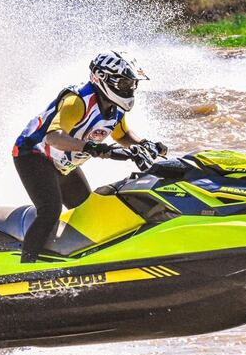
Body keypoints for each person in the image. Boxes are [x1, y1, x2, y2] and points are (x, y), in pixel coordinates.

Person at [12, 51, 167, 263]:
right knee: (50, 210)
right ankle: (25, 268)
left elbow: (122, 135)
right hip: (32, 155)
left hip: (63, 163)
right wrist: (93, 148)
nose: (129, 89)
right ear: (101, 78)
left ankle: (81, 261)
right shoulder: (77, 101)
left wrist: (145, 144)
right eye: (124, 84)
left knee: (87, 210)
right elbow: (53, 137)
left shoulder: (116, 109)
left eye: (132, 84)